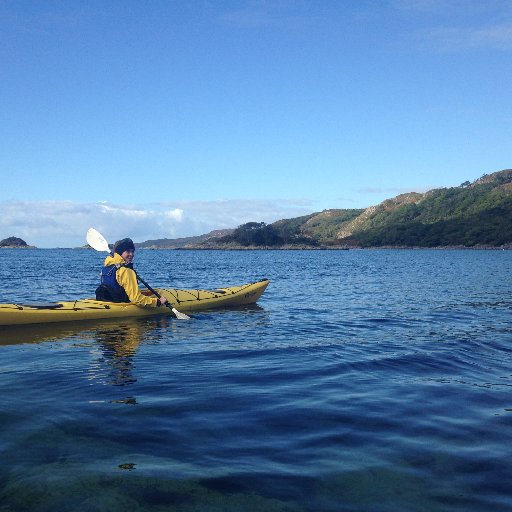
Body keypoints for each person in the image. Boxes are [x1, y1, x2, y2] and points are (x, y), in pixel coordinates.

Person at [95, 238, 168, 307]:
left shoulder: (107, 267)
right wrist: (158, 302)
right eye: (128, 251)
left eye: (132, 251)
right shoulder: (126, 271)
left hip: (107, 301)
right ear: (120, 252)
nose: (131, 254)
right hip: (121, 304)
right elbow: (137, 299)